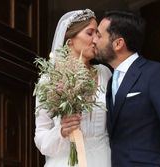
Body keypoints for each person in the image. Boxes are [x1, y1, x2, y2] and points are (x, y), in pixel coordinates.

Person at [94, 10, 160, 167]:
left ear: (118, 43)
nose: (94, 40)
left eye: (99, 35)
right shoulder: (111, 80)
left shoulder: (155, 74)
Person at [34, 9, 112, 167]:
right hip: (65, 161)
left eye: (97, 34)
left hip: (103, 159)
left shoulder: (105, 74)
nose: (96, 39)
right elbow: (40, 137)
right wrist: (61, 131)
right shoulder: (49, 80)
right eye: (90, 33)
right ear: (69, 40)